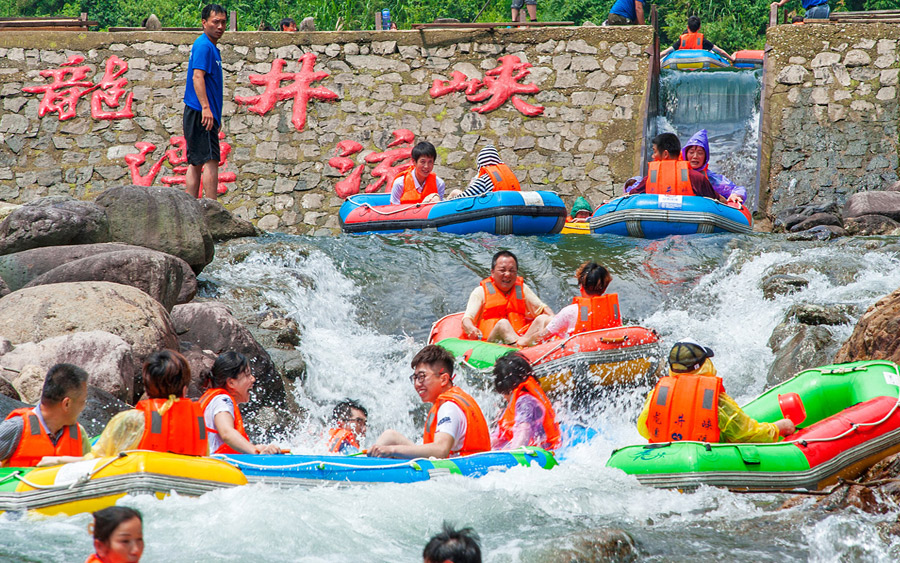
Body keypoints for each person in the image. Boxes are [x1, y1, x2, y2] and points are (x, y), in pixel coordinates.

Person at [637, 341, 796, 443]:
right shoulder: (714, 398)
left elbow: (644, 429)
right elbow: (746, 434)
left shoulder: (657, 393)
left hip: (666, 457)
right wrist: (779, 427)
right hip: (708, 458)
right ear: (703, 365)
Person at [369, 345, 490, 459]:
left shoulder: (449, 407)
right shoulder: (448, 401)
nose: (417, 384)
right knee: (390, 436)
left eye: (422, 377)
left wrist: (392, 450)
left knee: (390, 446)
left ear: (444, 379)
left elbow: (441, 450)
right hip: (451, 463)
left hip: (463, 468)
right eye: (415, 378)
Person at [91, 350, 207, 458]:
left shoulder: (132, 420)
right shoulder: (199, 423)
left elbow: (96, 458)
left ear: (146, 389)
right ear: (185, 390)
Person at [0, 364, 90, 468]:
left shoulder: (78, 433)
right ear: (66, 404)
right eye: (82, 402)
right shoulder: (16, 427)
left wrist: (60, 461)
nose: (83, 407)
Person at [461, 250, 554, 348]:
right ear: (492, 272)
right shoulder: (480, 292)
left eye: (512, 271)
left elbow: (543, 309)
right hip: (490, 344)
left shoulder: (521, 289)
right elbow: (467, 319)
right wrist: (471, 329)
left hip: (520, 338)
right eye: (502, 270)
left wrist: (553, 319)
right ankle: (521, 348)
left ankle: (525, 345)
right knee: (503, 324)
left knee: (542, 318)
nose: (507, 274)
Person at [183, 4, 226, 201]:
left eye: (223, 22)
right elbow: (197, 77)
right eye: (215, 22)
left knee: (196, 161)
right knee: (210, 159)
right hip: (200, 111)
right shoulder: (204, 46)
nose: (220, 27)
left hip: (201, 111)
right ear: (204, 22)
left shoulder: (210, 47)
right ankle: (211, 207)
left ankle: (190, 206)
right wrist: (206, 109)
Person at [199, 351, 281, 455]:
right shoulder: (222, 400)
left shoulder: (214, 400)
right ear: (231, 382)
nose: (253, 379)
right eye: (247, 375)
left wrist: (257, 447)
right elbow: (226, 433)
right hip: (214, 462)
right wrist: (255, 452)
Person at [492, 352, 561, 451]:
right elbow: (500, 435)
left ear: (505, 386)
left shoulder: (525, 402)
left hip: (545, 452)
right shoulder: (517, 401)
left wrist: (514, 452)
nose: (503, 397)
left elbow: (523, 431)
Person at [627, 133, 721, 200]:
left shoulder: (649, 179)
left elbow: (629, 196)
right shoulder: (697, 178)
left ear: (665, 154)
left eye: (654, 152)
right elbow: (718, 201)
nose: (653, 156)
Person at [542, 261, 620, 340]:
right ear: (604, 289)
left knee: (541, 320)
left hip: (574, 346)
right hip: (602, 343)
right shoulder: (613, 310)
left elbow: (540, 337)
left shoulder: (570, 311)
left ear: (581, 286)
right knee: (545, 320)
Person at [681, 129, 746, 204]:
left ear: (705, 157)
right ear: (685, 155)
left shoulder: (712, 179)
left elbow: (738, 189)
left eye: (700, 153)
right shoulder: (679, 174)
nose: (695, 156)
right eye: (691, 152)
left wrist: (735, 195)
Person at [448, 145, 520, 199]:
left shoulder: (485, 179)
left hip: (495, 212)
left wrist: (451, 199)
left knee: (455, 192)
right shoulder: (510, 176)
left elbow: (464, 197)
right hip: (514, 209)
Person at [659, 16, 735, 64]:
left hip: (681, 61)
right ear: (699, 27)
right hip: (701, 61)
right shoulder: (702, 40)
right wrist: (731, 59)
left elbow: (665, 52)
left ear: (687, 27)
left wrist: (655, 58)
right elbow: (720, 51)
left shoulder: (682, 40)